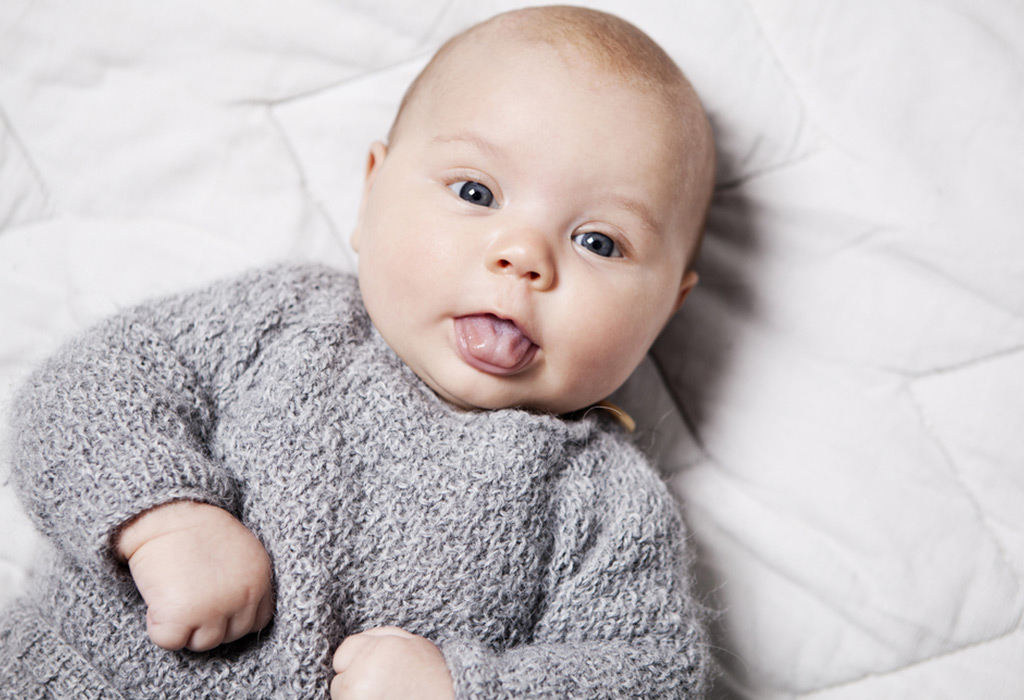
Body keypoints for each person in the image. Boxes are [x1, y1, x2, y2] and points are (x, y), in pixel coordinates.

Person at [0, 5, 716, 699]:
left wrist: (467, 689)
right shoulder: (286, 318)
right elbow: (87, 386)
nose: (523, 256)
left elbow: (649, 674)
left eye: (599, 242)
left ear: (666, 309)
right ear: (371, 191)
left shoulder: (606, 506)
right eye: (476, 191)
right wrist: (162, 515)